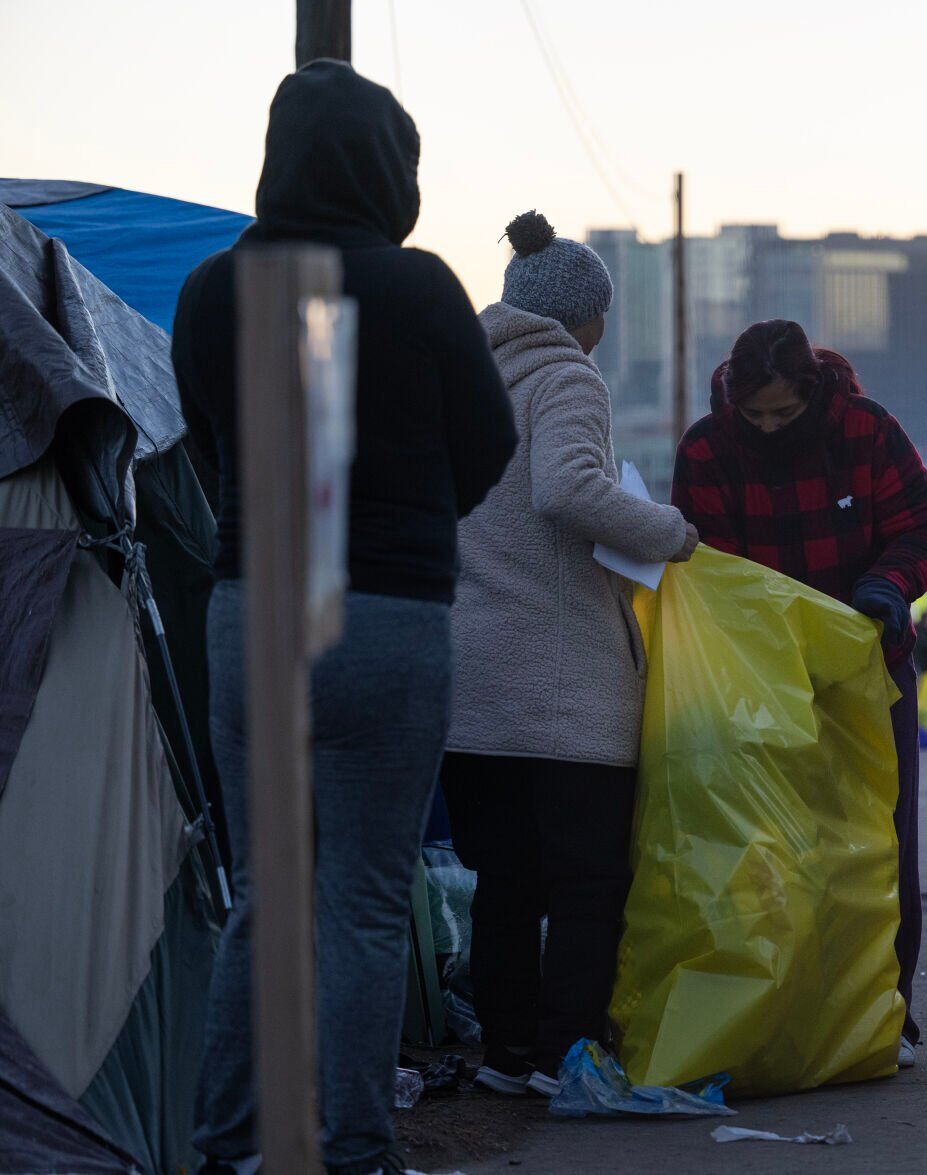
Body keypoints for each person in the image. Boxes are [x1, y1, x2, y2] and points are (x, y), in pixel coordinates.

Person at [173, 61, 517, 1175]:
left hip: (255, 605)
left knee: (263, 897)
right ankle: (353, 1151)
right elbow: (490, 445)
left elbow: (206, 442)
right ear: (389, 166)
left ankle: (227, 1149)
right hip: (386, 613)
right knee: (366, 902)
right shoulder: (417, 287)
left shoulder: (212, 289)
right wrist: (417, 514)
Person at [440, 212, 699, 1098]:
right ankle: (565, 1058)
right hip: (561, 688)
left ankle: (509, 1057)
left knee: (502, 880)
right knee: (589, 882)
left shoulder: (459, 376)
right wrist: (668, 531)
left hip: (471, 683)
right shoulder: (567, 376)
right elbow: (569, 487)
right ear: (584, 317)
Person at [671, 319, 927, 1068]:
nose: (766, 428)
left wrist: (887, 587)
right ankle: (788, 1014)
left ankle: (888, 1013)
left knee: (880, 845)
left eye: (783, 415)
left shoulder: (865, 429)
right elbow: (710, 571)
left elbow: (924, 527)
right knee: (772, 852)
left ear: (813, 393)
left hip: (868, 671)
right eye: (754, 415)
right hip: (759, 682)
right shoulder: (706, 448)